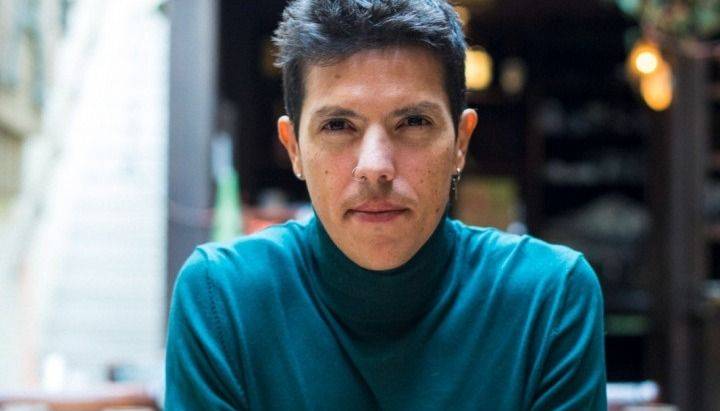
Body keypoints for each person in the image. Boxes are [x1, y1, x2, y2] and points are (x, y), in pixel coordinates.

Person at [164, 0, 607, 409]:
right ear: (294, 147)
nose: (375, 167)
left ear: (460, 142)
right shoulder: (224, 298)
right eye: (338, 125)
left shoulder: (547, 298)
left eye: (413, 121)